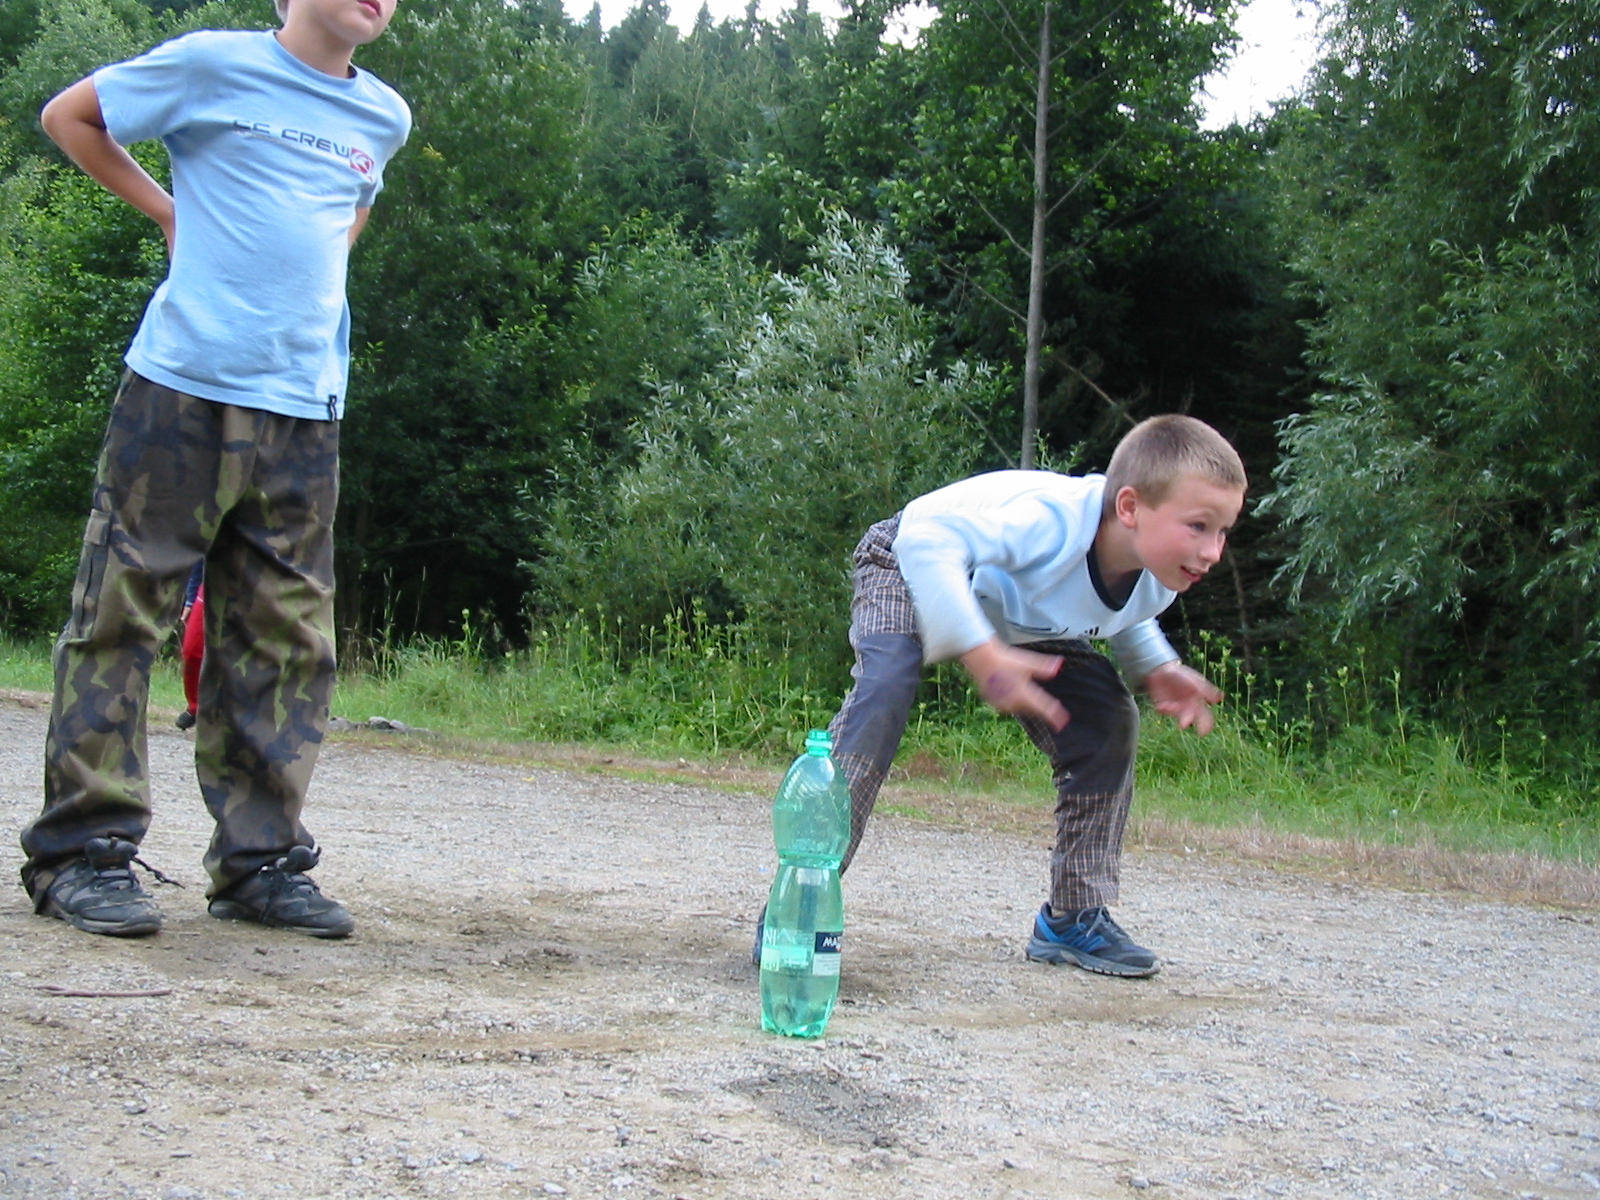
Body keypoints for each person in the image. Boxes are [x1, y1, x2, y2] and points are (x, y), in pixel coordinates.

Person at [18, 0, 410, 939]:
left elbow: (348, 214)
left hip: (306, 406)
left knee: (284, 638)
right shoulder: (211, 65)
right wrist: (167, 211)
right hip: (183, 387)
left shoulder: (383, 116)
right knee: (121, 612)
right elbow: (70, 117)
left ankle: (259, 863)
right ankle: (82, 853)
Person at [764, 415, 1246, 978]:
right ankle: (799, 908)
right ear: (1130, 507)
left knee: (1108, 718)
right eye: (1198, 527)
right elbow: (927, 542)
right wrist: (982, 654)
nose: (1213, 551)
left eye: (1223, 531)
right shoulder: (1051, 522)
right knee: (885, 692)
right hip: (906, 561)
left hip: (1008, 614)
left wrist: (1156, 666)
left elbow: (1112, 608)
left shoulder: (1161, 578)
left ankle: (1072, 918)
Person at [176, 562, 204, 731]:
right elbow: (201, 557)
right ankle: (195, 707)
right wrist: (190, 599)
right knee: (192, 650)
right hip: (211, 584)